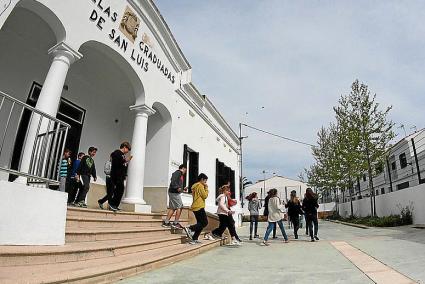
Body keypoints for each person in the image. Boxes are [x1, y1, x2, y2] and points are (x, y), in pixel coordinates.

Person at [184, 173, 209, 244]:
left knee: (200, 223)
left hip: (195, 206)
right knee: (205, 222)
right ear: (201, 179)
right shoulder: (200, 186)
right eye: (205, 181)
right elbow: (205, 196)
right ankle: (190, 228)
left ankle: (194, 238)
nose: (205, 183)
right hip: (199, 206)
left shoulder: (194, 186)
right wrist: (206, 188)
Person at [107, 142, 132, 211]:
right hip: (116, 175)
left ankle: (115, 205)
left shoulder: (122, 155)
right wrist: (125, 161)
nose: (127, 152)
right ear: (124, 147)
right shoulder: (117, 153)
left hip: (121, 176)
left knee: (120, 190)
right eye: (128, 149)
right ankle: (112, 204)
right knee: (118, 190)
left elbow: (122, 164)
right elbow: (117, 164)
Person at [162, 164, 187, 229]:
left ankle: (166, 222)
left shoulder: (179, 174)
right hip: (174, 193)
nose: (185, 172)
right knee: (180, 207)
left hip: (173, 192)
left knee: (173, 208)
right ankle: (175, 223)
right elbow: (173, 180)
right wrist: (177, 187)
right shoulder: (178, 172)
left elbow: (175, 182)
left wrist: (182, 189)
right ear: (183, 168)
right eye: (185, 170)